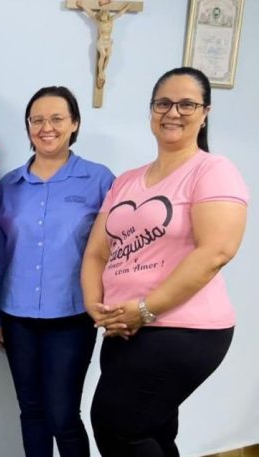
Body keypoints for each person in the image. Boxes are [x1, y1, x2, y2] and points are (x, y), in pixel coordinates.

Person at [81, 67, 249, 456]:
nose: (173, 112)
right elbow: (96, 253)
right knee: (153, 429)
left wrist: (143, 309)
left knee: (117, 428)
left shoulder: (212, 170)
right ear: (151, 110)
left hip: (182, 328)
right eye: (163, 103)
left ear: (205, 112)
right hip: (123, 327)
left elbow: (217, 251)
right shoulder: (126, 181)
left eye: (186, 103)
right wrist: (97, 308)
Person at [0, 86, 114, 457]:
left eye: (57, 118)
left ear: (74, 124)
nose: (47, 127)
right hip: (17, 317)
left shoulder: (99, 179)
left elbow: (116, 247)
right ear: (27, 127)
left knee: (62, 414)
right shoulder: (9, 185)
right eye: (37, 120)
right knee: (32, 411)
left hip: (73, 315)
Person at [78, 0, 130, 89]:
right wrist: (83, 5)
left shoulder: (111, 21)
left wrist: (128, 7)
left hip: (109, 42)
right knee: (103, 54)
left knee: (108, 56)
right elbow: (90, 13)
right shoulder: (99, 22)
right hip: (101, 42)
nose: (104, 15)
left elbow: (120, 14)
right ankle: (100, 72)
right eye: (103, 14)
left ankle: (102, 73)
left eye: (106, 14)